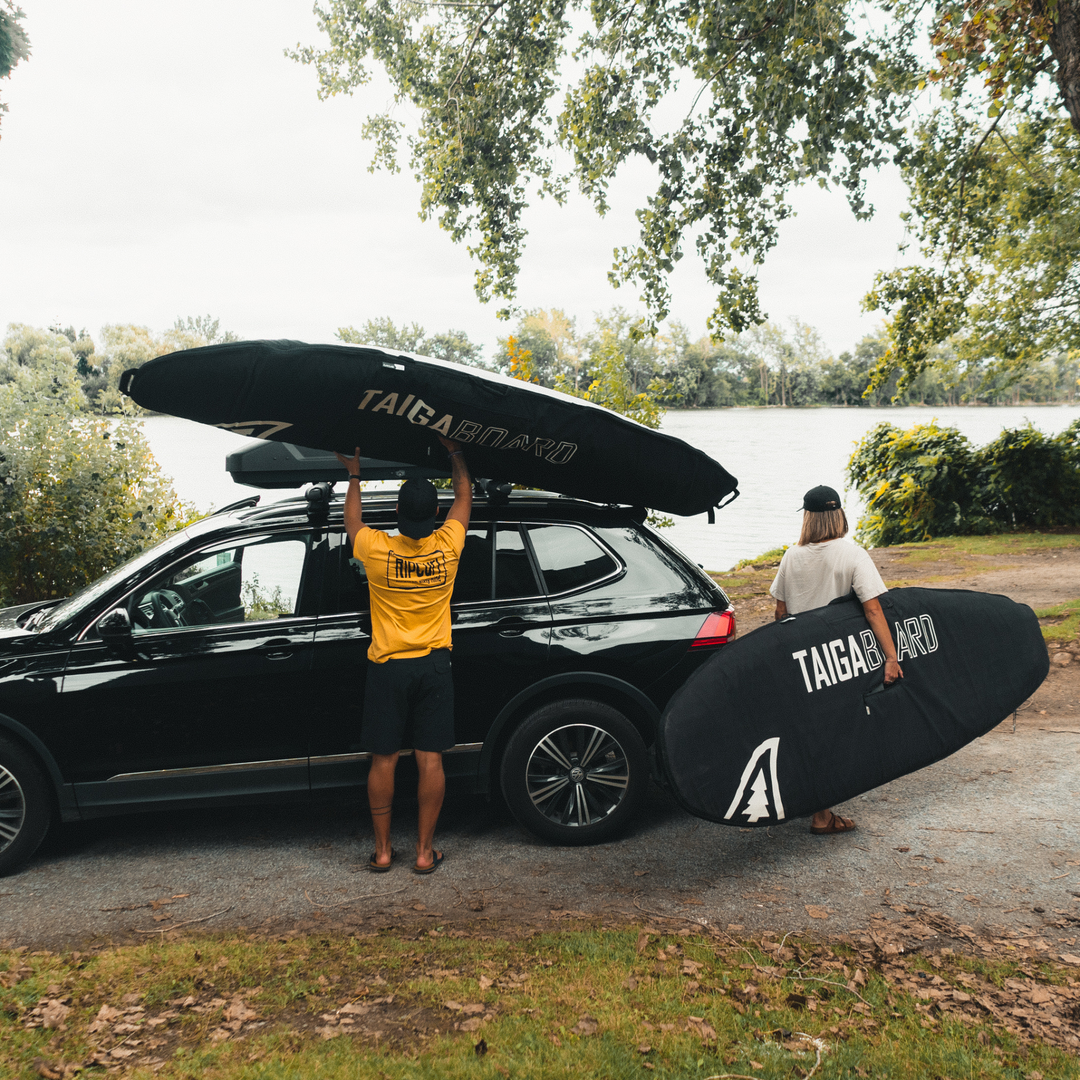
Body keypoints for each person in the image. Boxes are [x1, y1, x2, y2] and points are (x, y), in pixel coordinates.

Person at [335, 436, 471, 874]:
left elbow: (351, 520)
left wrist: (354, 475)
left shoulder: (376, 550)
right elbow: (465, 497)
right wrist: (455, 452)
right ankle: (424, 853)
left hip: (389, 666)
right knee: (430, 759)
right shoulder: (449, 546)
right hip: (434, 666)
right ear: (436, 513)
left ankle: (382, 852)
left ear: (396, 511)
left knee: (385, 759)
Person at [770, 484, 903, 835]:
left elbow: (781, 612)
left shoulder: (791, 556)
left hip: (800, 658)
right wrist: (891, 657)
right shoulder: (853, 554)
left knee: (811, 732)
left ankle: (816, 807)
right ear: (839, 515)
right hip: (838, 658)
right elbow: (873, 609)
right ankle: (821, 816)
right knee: (834, 734)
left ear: (808, 518)